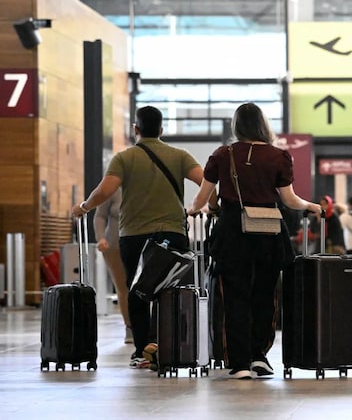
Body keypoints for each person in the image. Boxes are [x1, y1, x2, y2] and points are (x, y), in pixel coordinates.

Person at [187, 102, 321, 380]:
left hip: (232, 232)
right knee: (265, 295)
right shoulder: (279, 157)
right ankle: (259, 355)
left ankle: (239, 364)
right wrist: (313, 205)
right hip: (268, 232)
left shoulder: (222, 155)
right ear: (263, 125)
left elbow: (201, 199)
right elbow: (289, 200)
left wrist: (193, 209)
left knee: (233, 297)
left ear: (236, 126)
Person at [71, 105, 208, 370]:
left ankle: (142, 351)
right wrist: (200, 206)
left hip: (135, 236)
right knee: (169, 290)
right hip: (173, 234)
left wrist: (84, 206)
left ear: (136, 129)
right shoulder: (180, 155)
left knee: (137, 292)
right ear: (161, 130)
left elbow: (105, 190)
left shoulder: (124, 158)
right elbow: (206, 182)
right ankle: (168, 348)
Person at [92, 188, 131, 344]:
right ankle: (130, 327)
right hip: (114, 245)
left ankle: (149, 327)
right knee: (123, 287)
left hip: (142, 243)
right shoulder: (113, 188)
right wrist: (100, 238)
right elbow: (100, 216)